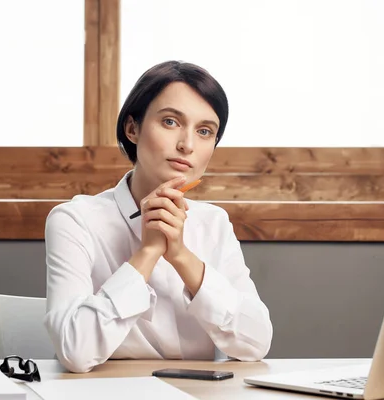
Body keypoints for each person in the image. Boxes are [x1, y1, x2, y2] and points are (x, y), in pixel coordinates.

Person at [43, 60, 273, 373]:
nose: (187, 145)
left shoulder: (213, 222)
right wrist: (149, 252)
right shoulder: (75, 219)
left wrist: (180, 255)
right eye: (170, 122)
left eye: (205, 131)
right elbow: (75, 351)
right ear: (132, 128)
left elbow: (256, 343)